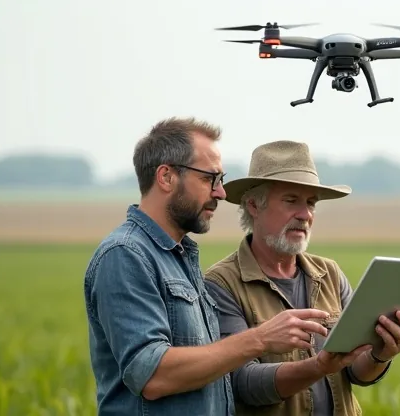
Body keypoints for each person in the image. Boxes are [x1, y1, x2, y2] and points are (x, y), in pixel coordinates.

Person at [83, 119, 332, 415]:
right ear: (166, 177)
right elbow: (152, 375)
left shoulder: (180, 258)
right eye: (208, 179)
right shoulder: (125, 255)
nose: (221, 193)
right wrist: (260, 338)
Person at [204, 140, 400, 415]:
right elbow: (241, 383)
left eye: (311, 204)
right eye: (291, 201)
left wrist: (381, 355)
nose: (304, 215)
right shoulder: (221, 284)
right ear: (254, 205)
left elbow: (355, 371)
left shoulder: (329, 273)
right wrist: (318, 367)